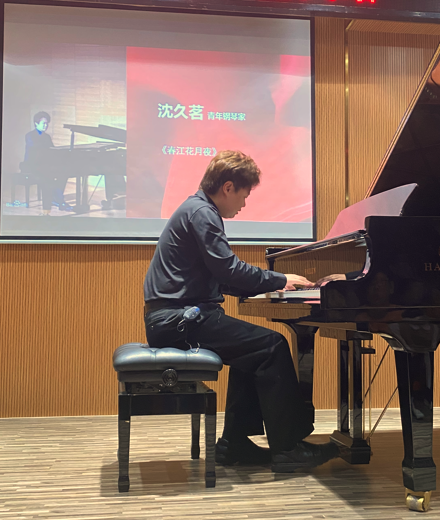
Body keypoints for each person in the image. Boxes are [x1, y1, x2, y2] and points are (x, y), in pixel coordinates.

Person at [143, 150, 339, 473]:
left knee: (252, 350)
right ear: (228, 187)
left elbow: (220, 277)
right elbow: (229, 270)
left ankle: (233, 444)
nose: (245, 204)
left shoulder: (196, 210)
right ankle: (288, 448)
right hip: (178, 320)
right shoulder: (202, 213)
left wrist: (269, 286)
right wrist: (280, 279)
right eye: (245, 195)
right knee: (272, 346)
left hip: (175, 317)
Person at [22, 111, 71, 213]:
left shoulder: (47, 137)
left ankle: (56, 198)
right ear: (36, 123)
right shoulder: (30, 135)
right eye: (43, 123)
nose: (46, 125)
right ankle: (60, 201)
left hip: (44, 165)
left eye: (47, 123)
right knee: (48, 175)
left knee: (64, 174)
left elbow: (52, 150)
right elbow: (35, 151)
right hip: (31, 165)